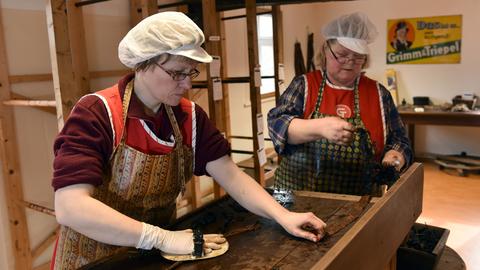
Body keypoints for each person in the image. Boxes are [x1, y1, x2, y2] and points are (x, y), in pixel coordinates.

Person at [51, 11, 326, 269]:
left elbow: (231, 176)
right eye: (177, 73)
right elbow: (70, 206)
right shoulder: (97, 113)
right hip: (91, 258)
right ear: (144, 63)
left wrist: (283, 216)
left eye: (191, 72)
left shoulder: (188, 116)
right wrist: (160, 238)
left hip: (151, 257)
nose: (187, 85)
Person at [268, 12, 413, 195]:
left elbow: (400, 140)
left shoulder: (379, 94)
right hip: (298, 198)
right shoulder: (303, 85)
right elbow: (276, 124)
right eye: (342, 55)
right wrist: (319, 127)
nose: (349, 63)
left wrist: (395, 158)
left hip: (360, 200)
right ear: (326, 51)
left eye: (357, 57)